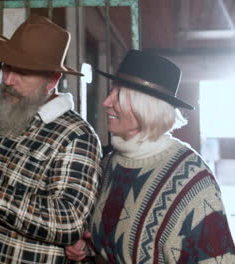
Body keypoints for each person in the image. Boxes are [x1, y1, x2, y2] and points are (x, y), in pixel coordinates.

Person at [0, 14, 102, 263]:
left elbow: (69, 221)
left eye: (23, 72)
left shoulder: (76, 135)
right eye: (6, 66)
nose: (8, 80)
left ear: (52, 80)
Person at [65, 50, 235, 263]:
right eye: (110, 92)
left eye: (118, 95)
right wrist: (84, 247)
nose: (106, 102)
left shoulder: (193, 179)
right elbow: (108, 241)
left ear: (144, 106)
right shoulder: (107, 162)